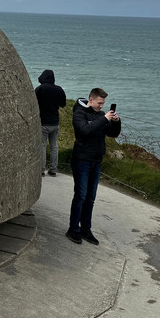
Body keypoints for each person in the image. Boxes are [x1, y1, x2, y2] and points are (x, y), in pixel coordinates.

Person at [65, 87, 120, 245]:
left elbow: (112, 134)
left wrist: (116, 122)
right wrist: (104, 119)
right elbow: (85, 130)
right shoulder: (79, 113)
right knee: (81, 196)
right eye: (99, 103)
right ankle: (73, 229)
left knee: (90, 198)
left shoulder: (101, 115)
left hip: (96, 160)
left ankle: (86, 230)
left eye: (103, 104)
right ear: (91, 100)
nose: (101, 106)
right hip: (82, 160)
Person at [34, 69, 67, 177]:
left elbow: (34, 104)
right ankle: (53, 170)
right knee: (54, 147)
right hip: (55, 123)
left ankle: (41, 170)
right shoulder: (59, 89)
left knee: (42, 146)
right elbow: (63, 104)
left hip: (43, 122)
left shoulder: (39, 89)